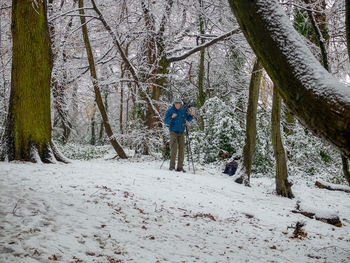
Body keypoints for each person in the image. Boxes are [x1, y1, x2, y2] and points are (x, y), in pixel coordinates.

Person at [164, 100, 194, 172]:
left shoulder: (183, 111)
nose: (177, 105)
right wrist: (171, 117)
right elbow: (166, 121)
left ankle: (180, 167)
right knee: (174, 149)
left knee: (182, 149)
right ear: (174, 104)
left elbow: (188, 119)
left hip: (181, 131)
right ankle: (172, 166)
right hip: (173, 131)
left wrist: (191, 115)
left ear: (181, 104)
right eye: (176, 104)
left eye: (179, 104)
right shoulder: (170, 110)